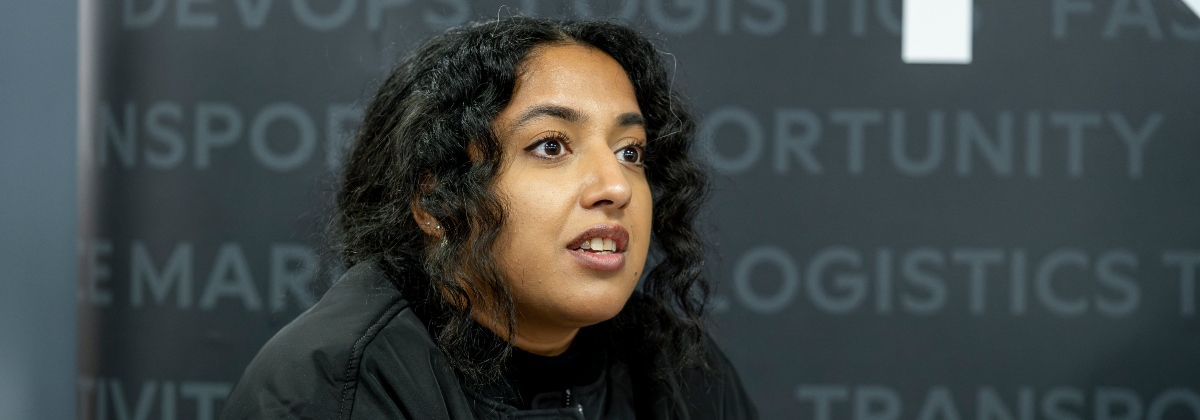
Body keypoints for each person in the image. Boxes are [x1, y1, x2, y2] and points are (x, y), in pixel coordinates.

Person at [220, 16, 757, 420]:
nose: (616, 187)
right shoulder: (339, 384)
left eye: (630, 152)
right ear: (435, 204)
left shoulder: (676, 367)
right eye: (551, 146)